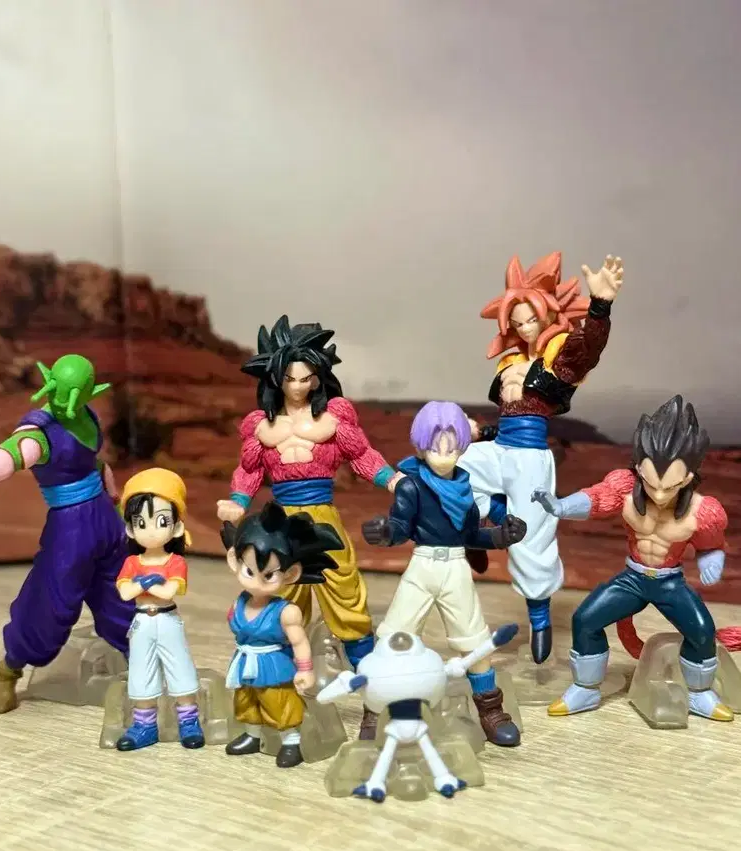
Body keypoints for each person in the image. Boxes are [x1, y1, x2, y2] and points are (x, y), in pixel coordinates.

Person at [216, 315, 403, 739]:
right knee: (282, 602)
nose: (299, 386)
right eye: (291, 378)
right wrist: (238, 502)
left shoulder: (334, 418)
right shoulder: (261, 426)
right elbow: (249, 472)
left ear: (318, 377)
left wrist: (393, 480)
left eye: (306, 378)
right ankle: (282, 699)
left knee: (347, 602)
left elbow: (362, 456)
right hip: (281, 522)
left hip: (323, 518)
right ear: (276, 378)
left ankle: (376, 698)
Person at [0, 354, 134, 714]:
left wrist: (114, 498)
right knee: (50, 600)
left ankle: (142, 662)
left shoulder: (87, 416)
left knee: (124, 592)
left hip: (107, 520)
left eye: (72, 393)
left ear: (88, 392)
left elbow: (96, 463)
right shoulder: (39, 430)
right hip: (71, 530)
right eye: (58, 392)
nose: (63, 402)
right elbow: (15, 452)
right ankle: (10, 669)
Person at [532, 395, 741, 720]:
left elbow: (711, 545)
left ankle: (699, 694)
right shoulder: (625, 489)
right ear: (639, 469)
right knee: (585, 620)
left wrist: (712, 561)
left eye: (670, 487)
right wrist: (560, 506)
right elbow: (596, 500)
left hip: (670, 583)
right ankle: (585, 688)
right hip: (632, 579)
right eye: (651, 485)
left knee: (702, 631)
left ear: (688, 478)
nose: (660, 495)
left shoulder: (703, 511)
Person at [459, 252, 624, 664]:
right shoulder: (511, 360)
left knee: (533, 538)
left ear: (548, 314)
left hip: (530, 457)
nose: (525, 327)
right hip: (501, 446)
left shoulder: (559, 358)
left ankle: (539, 617)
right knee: (455, 468)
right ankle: (480, 530)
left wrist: (600, 304)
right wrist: (481, 433)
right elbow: (509, 416)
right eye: (517, 323)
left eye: (531, 319)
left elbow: (589, 348)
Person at [362, 401, 526, 746]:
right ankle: (375, 710)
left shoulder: (465, 490)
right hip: (423, 566)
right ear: (421, 446)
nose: (444, 454)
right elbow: (401, 526)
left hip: (455, 568)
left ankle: (491, 711)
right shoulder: (411, 486)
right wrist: (386, 532)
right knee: (393, 639)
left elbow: (472, 536)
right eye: (436, 447)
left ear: (463, 447)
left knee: (476, 642)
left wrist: (501, 536)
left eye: (452, 447)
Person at [221, 501, 343, 768]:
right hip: (245, 661)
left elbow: (299, 641)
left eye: (268, 575)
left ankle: (291, 740)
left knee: (279, 702)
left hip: (274, 664)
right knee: (246, 700)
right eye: (249, 571)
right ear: (234, 560)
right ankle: (252, 735)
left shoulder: (286, 611)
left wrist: (305, 670)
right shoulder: (240, 602)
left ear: (291, 573)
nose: (256, 581)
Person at [115, 468, 204, 751]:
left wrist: (144, 583)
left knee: (180, 667)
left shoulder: (176, 562)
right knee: (141, 670)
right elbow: (125, 592)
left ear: (176, 527)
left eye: (161, 520)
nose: (151, 530)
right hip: (142, 622)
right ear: (130, 528)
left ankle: (189, 722)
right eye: (141, 522)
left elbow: (168, 592)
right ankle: (144, 725)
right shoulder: (132, 562)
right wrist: (148, 581)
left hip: (167, 620)